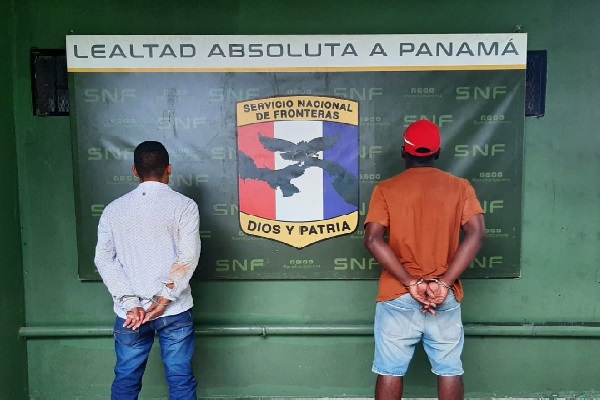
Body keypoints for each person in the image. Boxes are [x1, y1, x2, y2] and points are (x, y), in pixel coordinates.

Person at [363, 120, 485, 400]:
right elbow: (476, 235)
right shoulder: (461, 187)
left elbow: (372, 239)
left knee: (390, 371)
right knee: (450, 369)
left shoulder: (386, 189)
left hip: (398, 294)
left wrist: (410, 282)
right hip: (444, 295)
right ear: (438, 152)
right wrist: (443, 283)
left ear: (403, 152)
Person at [95, 141, 201, 400]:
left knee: (126, 378)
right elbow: (187, 256)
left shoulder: (113, 210)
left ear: (134, 170)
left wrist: (131, 304)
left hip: (131, 314)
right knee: (180, 380)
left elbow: (103, 260)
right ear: (169, 169)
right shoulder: (185, 206)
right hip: (174, 310)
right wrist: (164, 299)